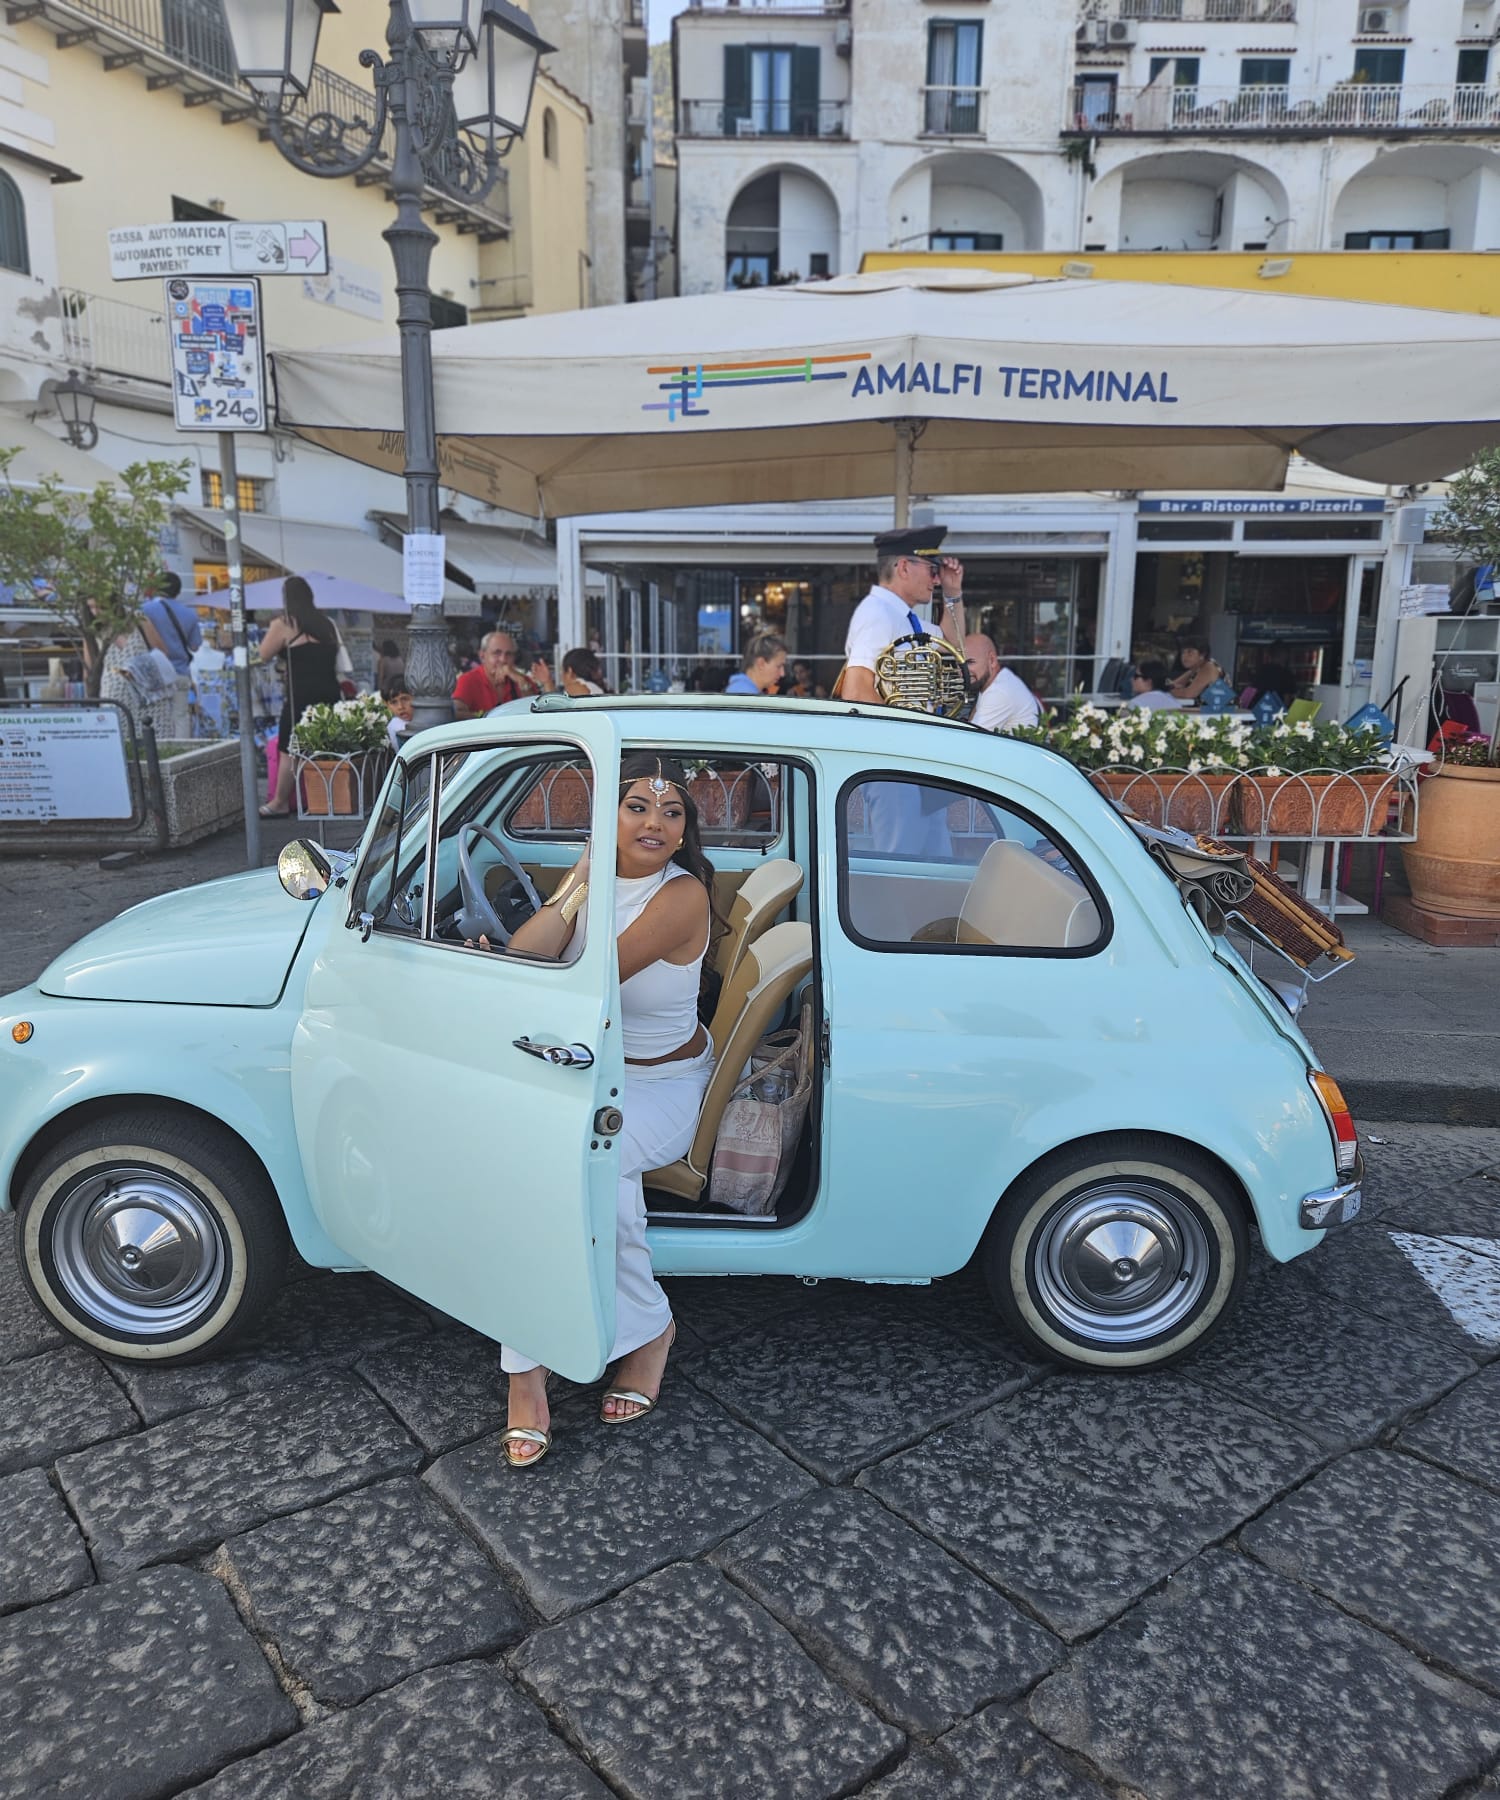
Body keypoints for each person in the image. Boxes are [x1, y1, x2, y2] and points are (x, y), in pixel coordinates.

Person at [493, 753, 718, 1469]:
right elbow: (530, 958)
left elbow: (580, 985)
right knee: (537, 1170)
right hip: (588, 1076)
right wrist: (577, 886)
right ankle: (560, 1358)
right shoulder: (596, 878)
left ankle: (549, 1367)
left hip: (660, 1085)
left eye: (671, 812)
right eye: (637, 806)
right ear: (609, 818)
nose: (654, 821)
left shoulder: (681, 897)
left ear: (684, 835)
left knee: (577, 1172)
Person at [840, 525, 965, 854]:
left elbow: (953, 646)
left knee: (934, 864)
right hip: (896, 758)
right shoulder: (879, 614)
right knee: (903, 862)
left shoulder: (902, 617)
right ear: (904, 567)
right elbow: (855, 692)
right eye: (931, 570)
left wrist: (953, 595)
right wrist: (906, 736)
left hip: (912, 756)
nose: (936, 579)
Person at [256, 575, 342, 818]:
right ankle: (330, 798)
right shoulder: (326, 623)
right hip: (329, 691)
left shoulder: (283, 623)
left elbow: (262, 654)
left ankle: (280, 801)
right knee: (326, 747)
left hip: (300, 695)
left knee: (289, 749)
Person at [140, 573, 202, 740]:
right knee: (181, 716)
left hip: (153, 673)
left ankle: (158, 753)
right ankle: (181, 754)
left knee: (154, 715)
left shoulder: (144, 610)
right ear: (178, 591)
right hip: (180, 672)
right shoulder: (190, 614)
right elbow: (195, 646)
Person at [452, 631, 540, 717]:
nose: (503, 659)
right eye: (497, 653)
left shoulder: (520, 679)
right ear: (482, 656)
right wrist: (485, 716)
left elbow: (536, 713)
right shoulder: (468, 680)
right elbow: (456, 712)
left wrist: (521, 681)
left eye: (508, 654)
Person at [964, 633, 1041, 732]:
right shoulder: (993, 681)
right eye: (959, 663)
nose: (962, 670)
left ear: (992, 660)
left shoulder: (999, 692)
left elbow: (970, 740)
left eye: (970, 662)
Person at [529, 647, 610, 697]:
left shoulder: (577, 686)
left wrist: (548, 682)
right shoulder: (595, 687)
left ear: (569, 671)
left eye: (562, 671)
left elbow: (554, 710)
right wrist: (547, 682)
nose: (561, 677)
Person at [1166, 637, 1226, 704]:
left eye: (1190, 652)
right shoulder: (1193, 670)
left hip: (1223, 713)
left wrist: (1173, 690)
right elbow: (1170, 685)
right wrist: (1173, 688)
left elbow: (1188, 694)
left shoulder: (1209, 667)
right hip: (1202, 712)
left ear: (1202, 655)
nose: (1184, 656)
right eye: (1183, 652)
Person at [384, 682, 415, 753]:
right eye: (394, 702)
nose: (400, 707)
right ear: (387, 705)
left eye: (405, 699)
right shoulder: (396, 725)